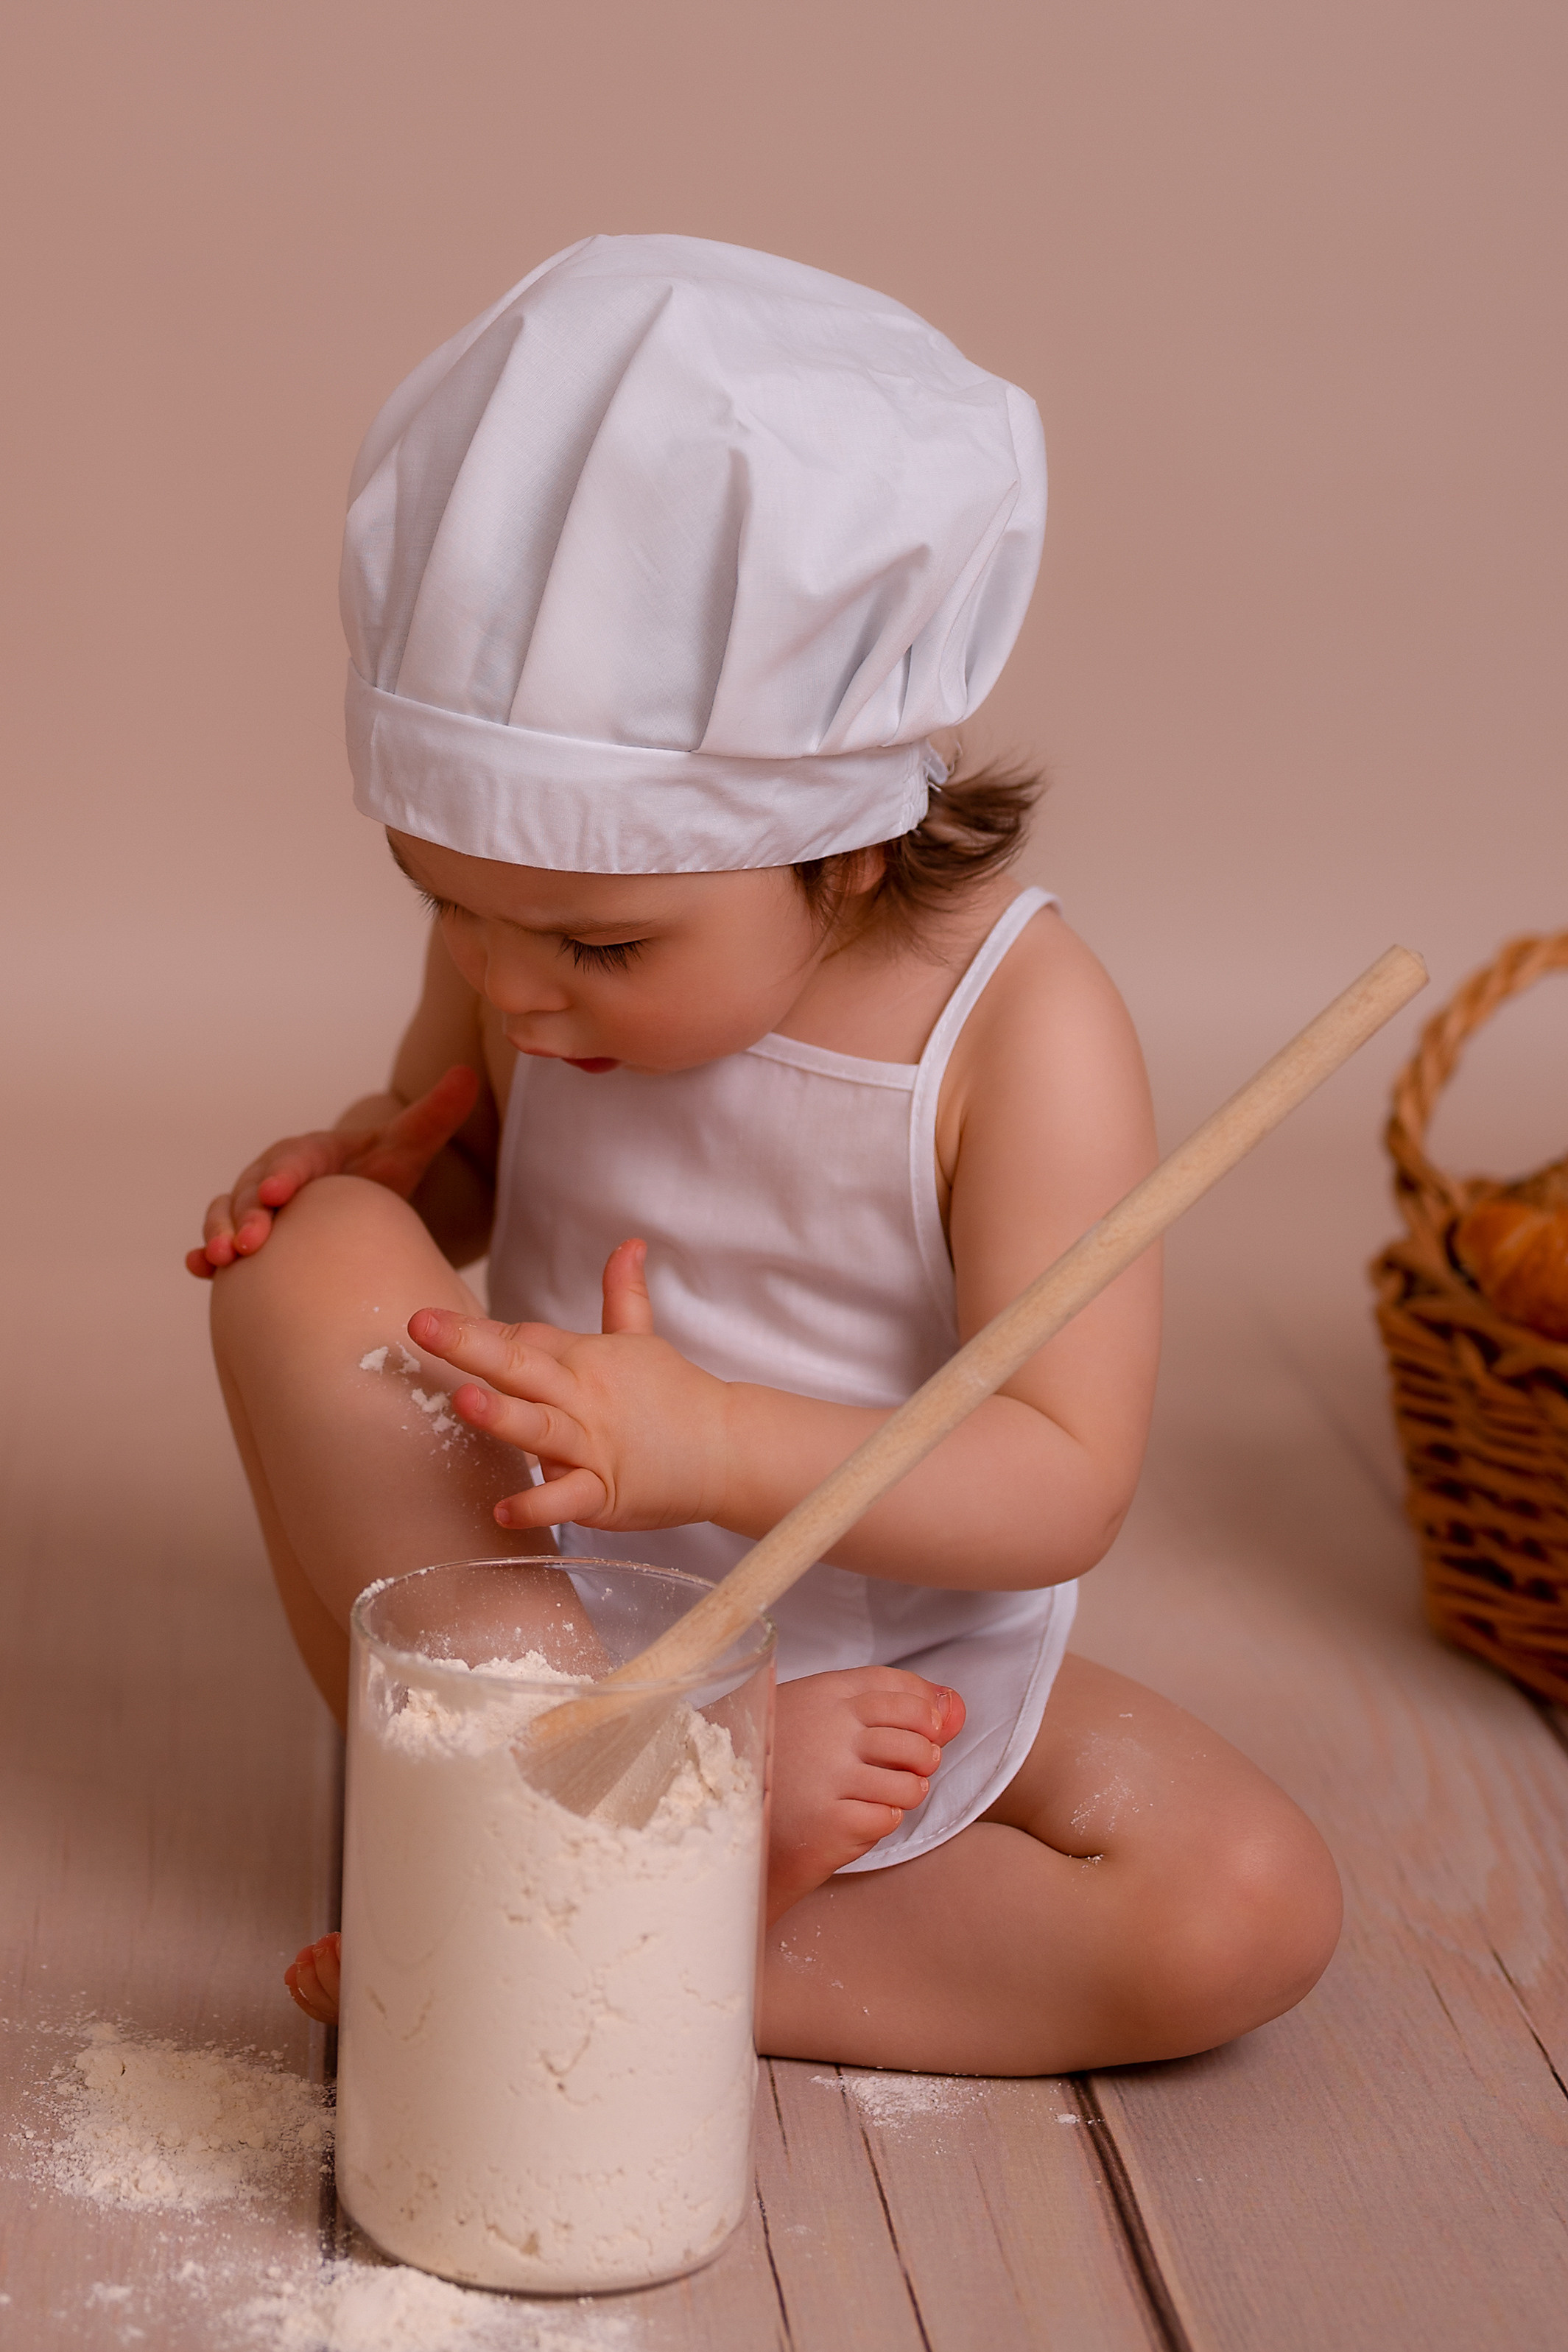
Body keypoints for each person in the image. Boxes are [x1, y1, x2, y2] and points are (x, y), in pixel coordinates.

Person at [191, 235, 1340, 2075]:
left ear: (856, 843)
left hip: (879, 1661)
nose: (511, 987)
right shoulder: (529, 925)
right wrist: (376, 1179)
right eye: (448, 904)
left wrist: (711, 1440)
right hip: (536, 1625)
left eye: (601, 948)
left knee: (1242, 1902)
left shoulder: (1021, 1032)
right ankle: (589, 1806)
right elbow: (470, 1187)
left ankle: (585, 1921)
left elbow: (1061, 1475)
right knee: (307, 1256)